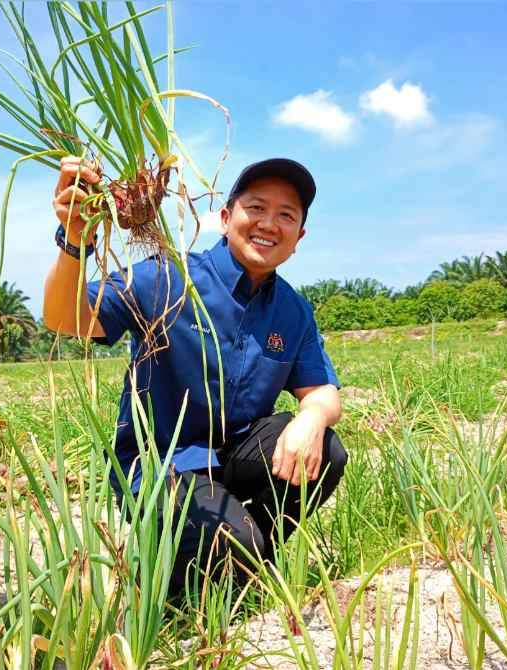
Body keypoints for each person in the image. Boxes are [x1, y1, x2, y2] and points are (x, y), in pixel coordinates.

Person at [43, 156, 346, 593]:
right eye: (256, 208)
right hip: (159, 466)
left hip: (231, 456)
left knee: (328, 452)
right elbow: (66, 317)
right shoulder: (169, 277)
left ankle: (249, 554)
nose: (269, 224)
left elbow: (322, 392)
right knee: (237, 542)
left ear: (298, 238)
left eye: (286, 216)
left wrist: (312, 419)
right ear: (225, 218)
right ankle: (194, 561)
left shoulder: (293, 310)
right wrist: (74, 241)